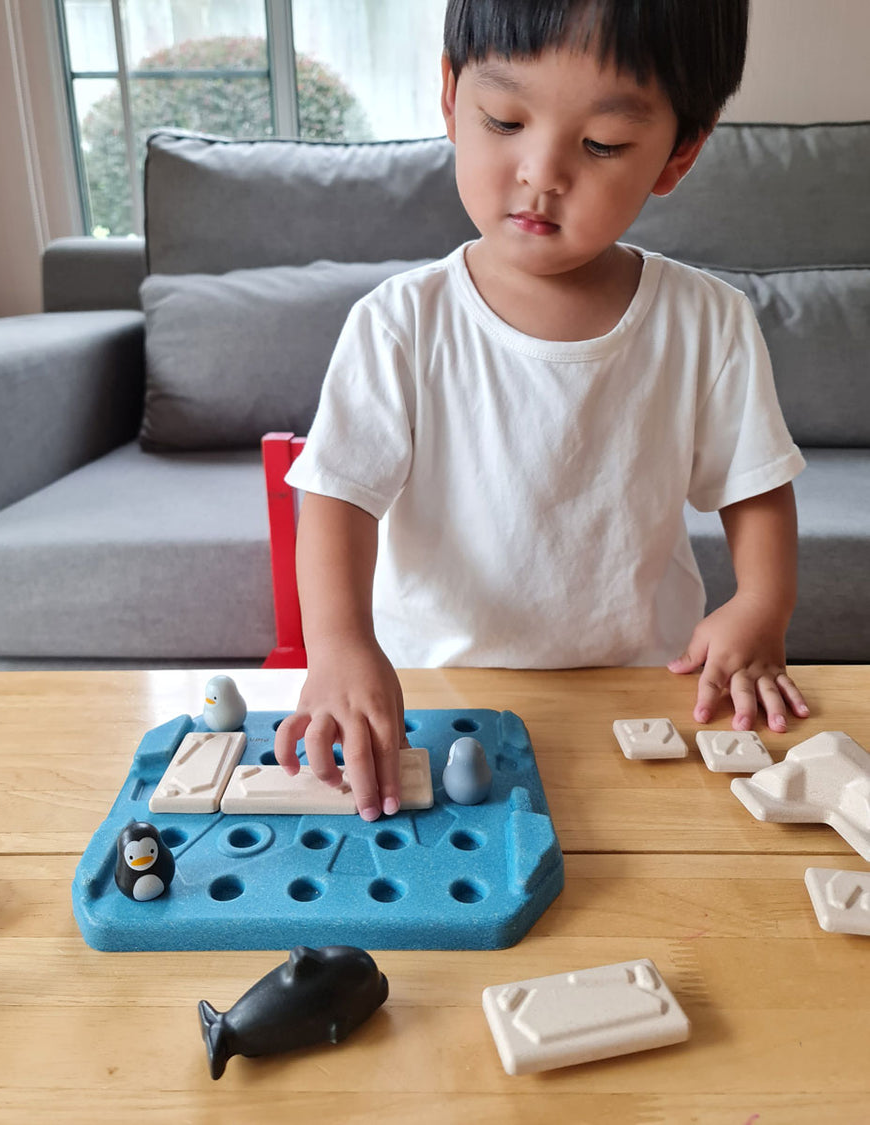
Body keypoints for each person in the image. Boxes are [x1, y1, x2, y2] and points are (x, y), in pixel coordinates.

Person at [275, 0, 809, 821]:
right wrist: (342, 645)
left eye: (602, 145)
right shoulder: (400, 323)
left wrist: (759, 606)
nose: (541, 171)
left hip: (643, 693)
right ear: (451, 98)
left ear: (678, 155)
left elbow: (756, 484)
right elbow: (337, 495)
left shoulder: (708, 321)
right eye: (504, 119)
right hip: (438, 693)